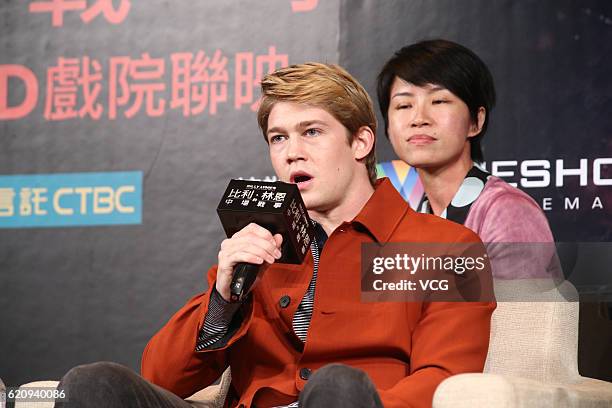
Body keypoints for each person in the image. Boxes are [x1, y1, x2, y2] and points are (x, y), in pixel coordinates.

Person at [57, 63, 495, 408]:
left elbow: (445, 380)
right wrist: (224, 299)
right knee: (94, 384)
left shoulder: (449, 247)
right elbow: (159, 377)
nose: (292, 152)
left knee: (337, 387)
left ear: (361, 142)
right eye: (278, 138)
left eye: (312, 132)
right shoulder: (260, 245)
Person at [377, 39, 558, 279]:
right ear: (388, 127)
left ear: (476, 122)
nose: (418, 118)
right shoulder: (412, 218)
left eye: (439, 101)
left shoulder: (505, 211)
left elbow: (521, 316)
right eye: (404, 105)